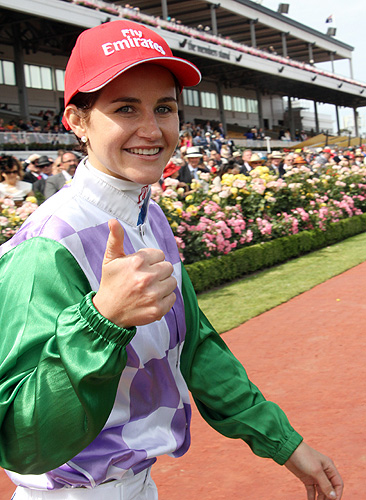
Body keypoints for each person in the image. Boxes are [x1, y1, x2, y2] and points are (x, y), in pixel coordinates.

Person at [0, 20, 343, 500]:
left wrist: (285, 443)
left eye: (164, 108)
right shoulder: (47, 245)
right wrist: (101, 321)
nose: (151, 129)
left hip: (141, 485)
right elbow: (22, 441)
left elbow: (196, 347)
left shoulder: (149, 216)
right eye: (125, 108)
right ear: (77, 120)